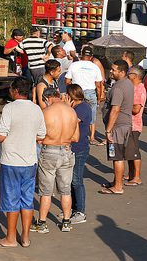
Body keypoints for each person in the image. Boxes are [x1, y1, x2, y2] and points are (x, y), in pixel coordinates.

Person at [0, 77, 46, 248]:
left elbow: (1, 135)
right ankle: (26, 237)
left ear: (15, 91)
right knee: (27, 200)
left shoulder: (9, 108)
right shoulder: (37, 109)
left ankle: (11, 238)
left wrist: (0, 134)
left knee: (12, 200)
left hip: (11, 161)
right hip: (30, 161)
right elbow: (41, 136)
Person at [30, 88, 79, 234]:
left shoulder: (46, 113)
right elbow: (76, 137)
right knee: (65, 190)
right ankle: (66, 222)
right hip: (66, 151)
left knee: (45, 191)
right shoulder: (72, 112)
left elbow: (38, 137)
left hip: (49, 151)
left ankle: (42, 223)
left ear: (47, 98)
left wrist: (50, 139)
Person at [99, 60, 134, 195]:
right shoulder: (127, 83)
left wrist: (108, 130)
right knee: (118, 156)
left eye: (114, 70)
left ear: (122, 72)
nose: (111, 72)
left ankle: (118, 187)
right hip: (124, 124)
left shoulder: (119, 87)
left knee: (117, 156)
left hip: (118, 126)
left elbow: (115, 109)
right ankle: (116, 182)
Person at [65, 45, 104, 145]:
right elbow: (98, 85)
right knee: (92, 115)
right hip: (90, 92)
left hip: (77, 92)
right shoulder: (95, 66)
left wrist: (72, 89)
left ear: (81, 55)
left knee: (74, 114)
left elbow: (67, 81)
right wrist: (99, 98)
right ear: (91, 57)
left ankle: (71, 134)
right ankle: (92, 137)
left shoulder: (74, 65)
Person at [65, 84, 91, 224]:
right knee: (70, 181)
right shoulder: (77, 107)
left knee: (77, 181)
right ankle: (73, 210)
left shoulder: (82, 108)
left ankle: (80, 212)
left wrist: (67, 108)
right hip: (74, 148)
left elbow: (72, 121)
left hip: (79, 149)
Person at [126, 65, 146, 186]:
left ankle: (137, 177)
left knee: (134, 152)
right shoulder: (134, 87)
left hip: (134, 125)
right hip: (130, 124)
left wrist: (122, 106)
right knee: (129, 151)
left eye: (129, 73)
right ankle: (131, 174)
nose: (128, 75)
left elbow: (136, 109)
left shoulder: (138, 89)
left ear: (135, 76)